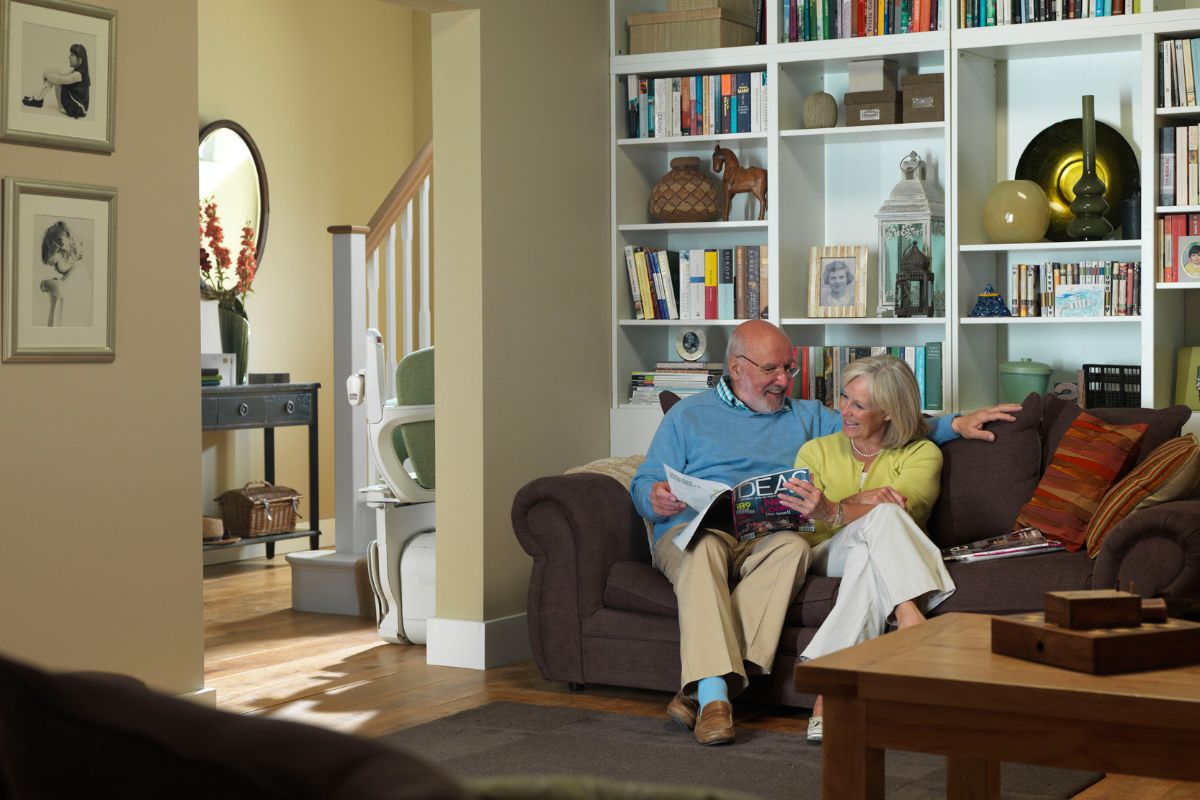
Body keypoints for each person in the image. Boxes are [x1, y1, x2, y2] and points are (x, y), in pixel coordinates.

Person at [629, 320, 1018, 746]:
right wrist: (656, 497)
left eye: (789, 370)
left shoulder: (809, 417)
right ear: (737, 368)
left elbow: (888, 422)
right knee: (702, 550)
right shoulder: (688, 415)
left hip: (763, 533)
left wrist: (955, 425)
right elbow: (644, 481)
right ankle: (713, 694)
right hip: (694, 527)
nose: (784, 381)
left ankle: (702, 685)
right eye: (772, 370)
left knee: (793, 547)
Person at [777, 355, 954, 745]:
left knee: (876, 538)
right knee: (879, 520)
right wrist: (849, 505)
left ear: (889, 412)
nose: (844, 411)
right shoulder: (815, 452)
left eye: (858, 405)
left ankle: (828, 691)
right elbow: (807, 529)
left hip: (875, 555)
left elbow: (908, 511)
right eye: (843, 398)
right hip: (827, 553)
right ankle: (910, 616)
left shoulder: (922, 454)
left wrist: (835, 508)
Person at [38, 221, 92, 327]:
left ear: (65, 252)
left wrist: (45, 284)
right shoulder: (69, 276)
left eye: (55, 263)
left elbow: (61, 289)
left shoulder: (80, 271)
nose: (55, 269)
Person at [22, 43, 90, 119]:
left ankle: (37, 99)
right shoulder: (76, 71)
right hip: (75, 107)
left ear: (80, 60)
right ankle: (37, 99)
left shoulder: (78, 75)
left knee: (57, 80)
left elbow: (61, 80)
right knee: (55, 71)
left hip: (75, 109)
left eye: (72, 55)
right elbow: (61, 76)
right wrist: (50, 75)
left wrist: (46, 74)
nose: (69, 57)